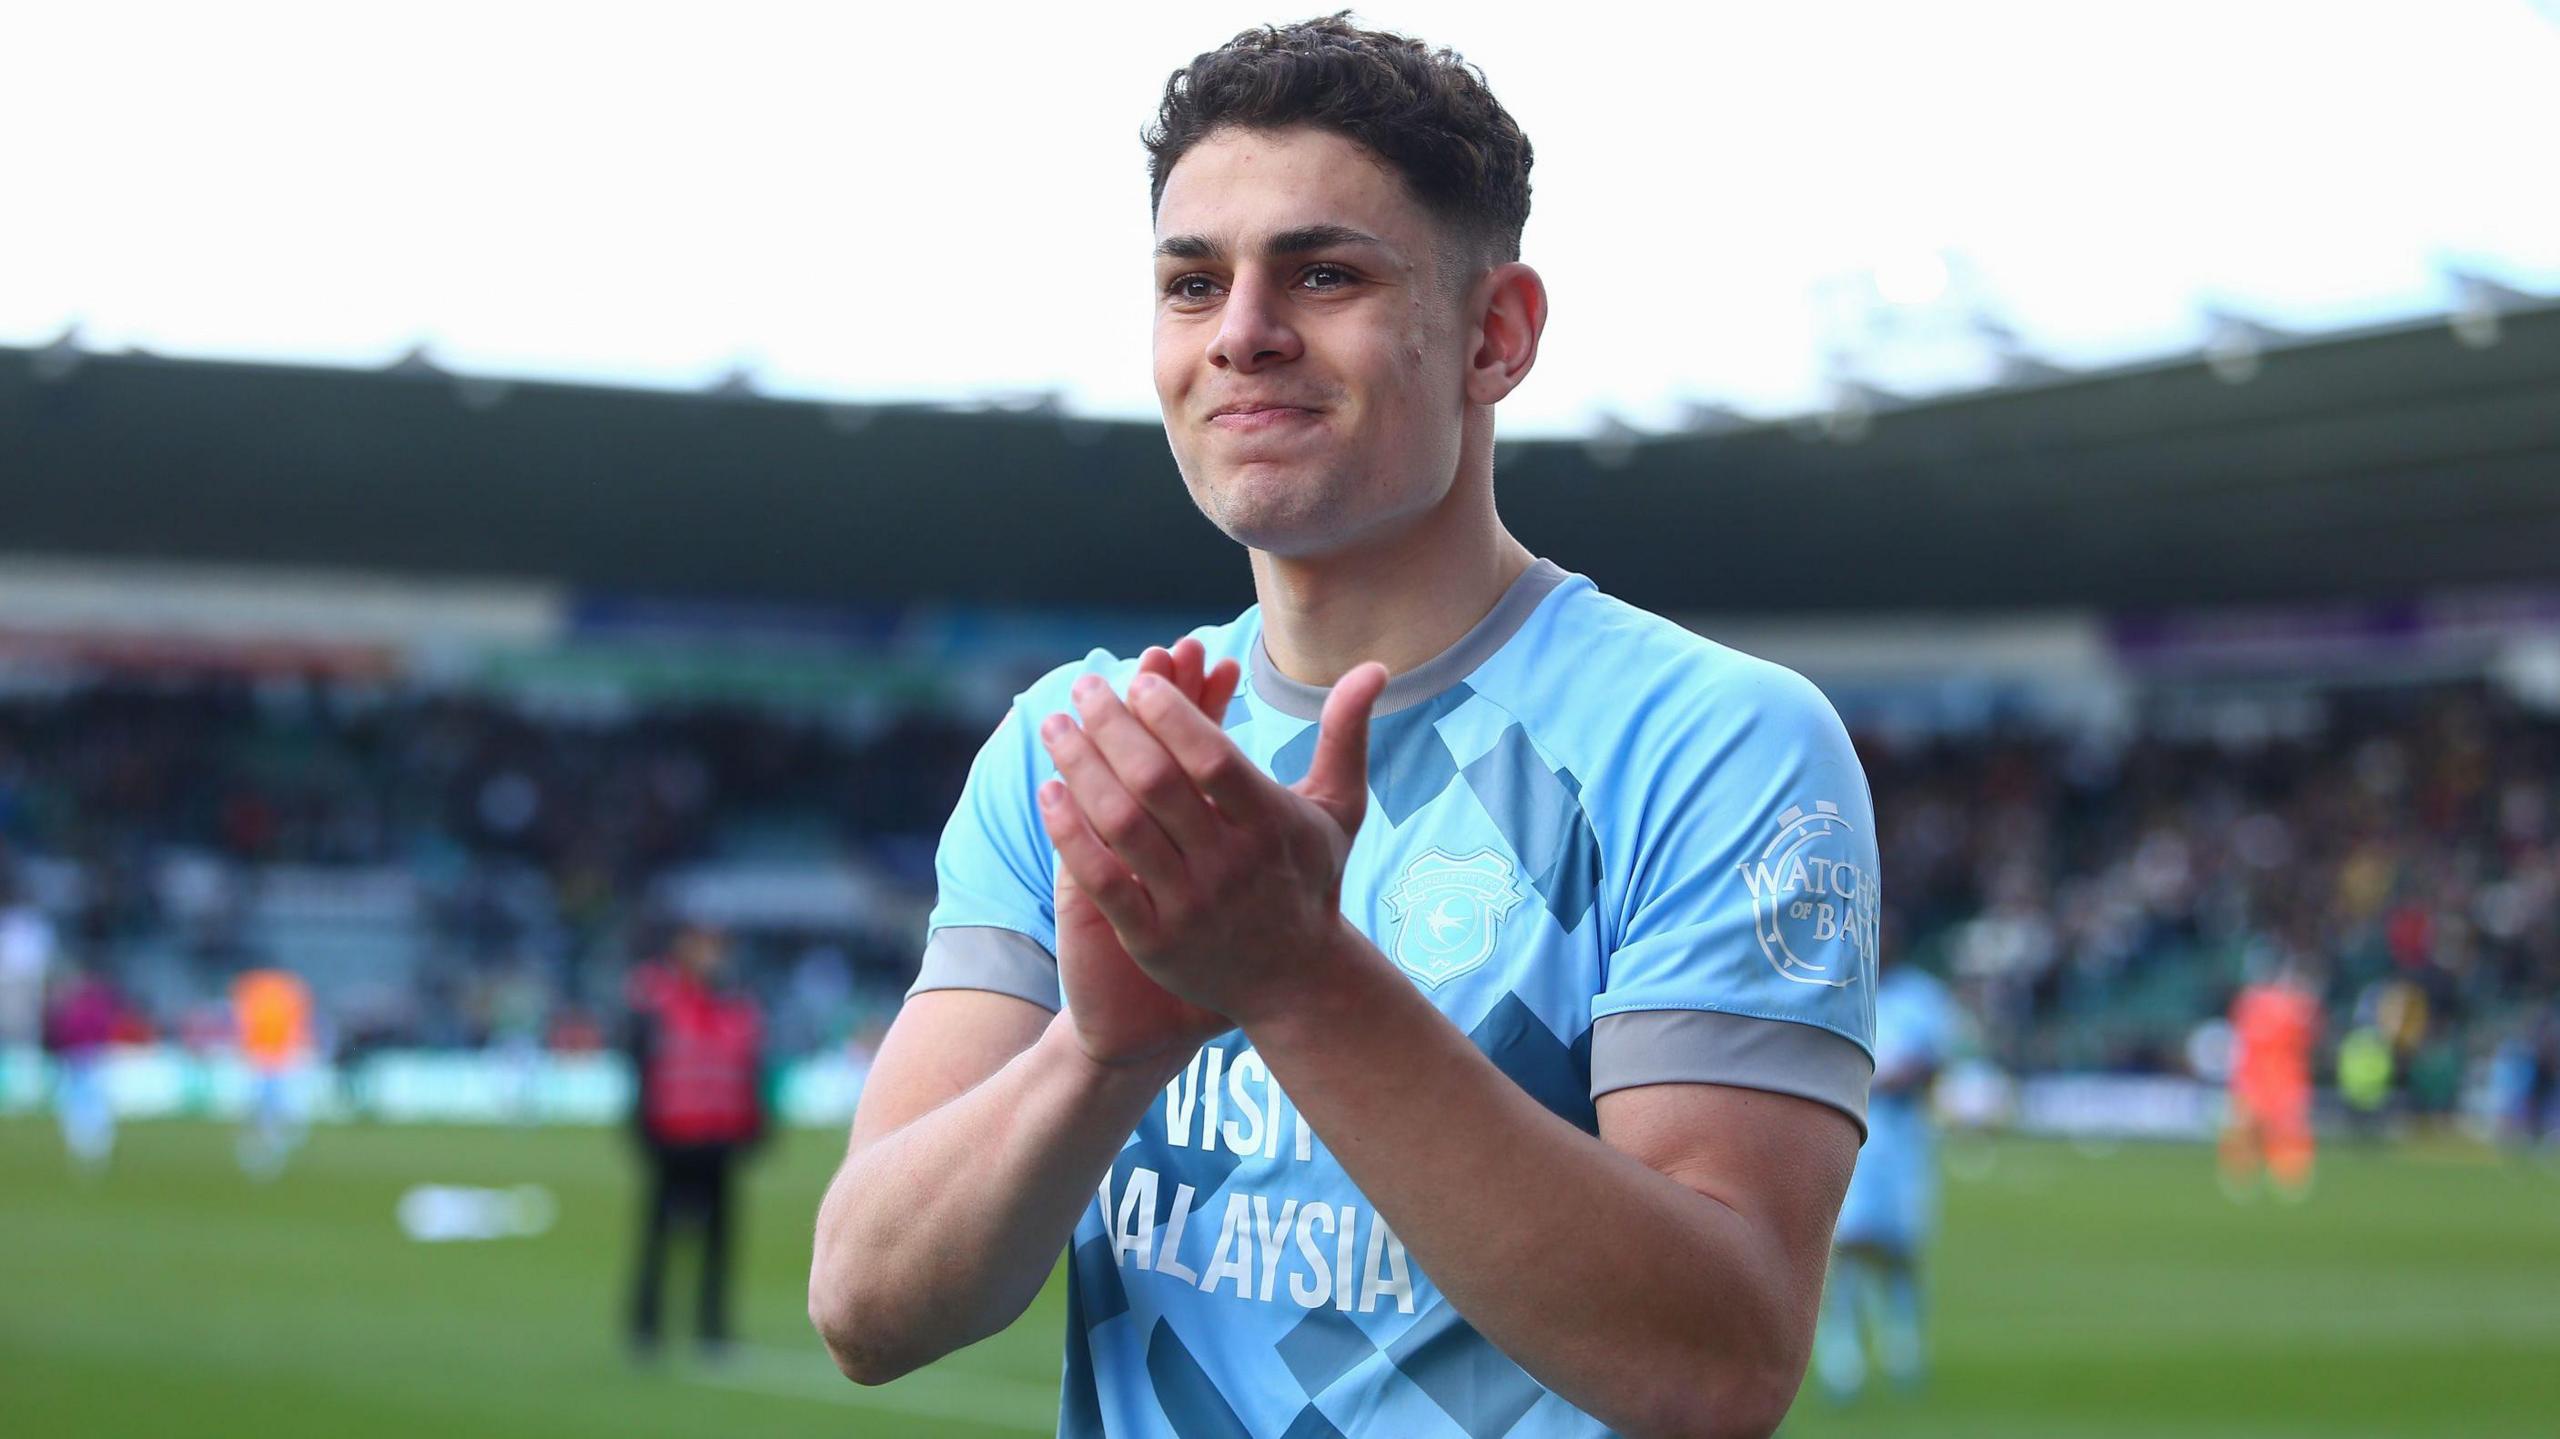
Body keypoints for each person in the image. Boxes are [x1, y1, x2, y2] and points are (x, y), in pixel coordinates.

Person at [807, 18, 1879, 1439]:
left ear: (1495, 334)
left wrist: (1299, 979)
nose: (1243, 327)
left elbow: (1716, 1366)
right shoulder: (1081, 746)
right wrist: (1103, 1050)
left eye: (1323, 272)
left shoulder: (1713, 743)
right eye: (1194, 282)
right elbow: (869, 1303)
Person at [1813, 957, 1958, 1402]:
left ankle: (1903, 1347)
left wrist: (1897, 1078)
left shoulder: (1921, 995)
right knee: (1847, 1247)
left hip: (1903, 1139)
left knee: (1902, 1247)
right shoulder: (1832, 981)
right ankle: (1844, 1355)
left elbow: (1937, 1060)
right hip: (1849, 1133)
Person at [626, 923, 765, 1361]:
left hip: (719, 1141)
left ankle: (712, 1330)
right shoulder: (656, 1001)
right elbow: (641, 1068)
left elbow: (749, 1073)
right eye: (703, 948)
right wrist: (644, 1130)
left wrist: (755, 1128)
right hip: (672, 1138)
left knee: (718, 1245)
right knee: (658, 1240)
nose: (712, 957)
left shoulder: (738, 1007)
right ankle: (646, 1329)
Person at [2219, 960, 2322, 1202]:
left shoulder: (2261, 1003)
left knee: (2282, 1128)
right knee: (2255, 1127)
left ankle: (2283, 1175)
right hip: (2264, 1076)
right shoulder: (2289, 1004)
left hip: (2275, 1076)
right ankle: (2256, 1174)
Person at [231, 965, 315, 1178]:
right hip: (269, 1054)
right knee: (269, 1099)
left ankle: (277, 1134)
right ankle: (273, 1134)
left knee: (275, 1099)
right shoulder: (285, 991)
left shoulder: (258, 991)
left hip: (276, 1055)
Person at [43, 962, 123, 1175]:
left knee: (82, 1101)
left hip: (82, 1057)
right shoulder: (94, 1006)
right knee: (87, 1100)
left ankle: (87, 1140)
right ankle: (92, 1140)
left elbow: (67, 1031)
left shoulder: (78, 1007)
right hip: (87, 1056)